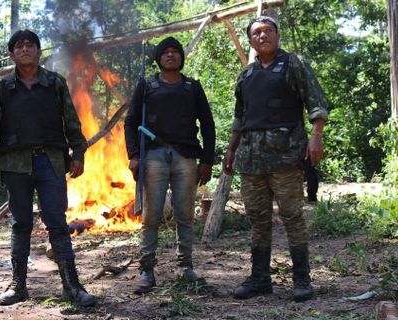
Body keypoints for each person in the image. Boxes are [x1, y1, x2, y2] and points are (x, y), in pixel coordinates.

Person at [0, 30, 96, 307]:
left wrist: (78, 153)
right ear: (11, 54)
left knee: (57, 223)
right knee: (21, 224)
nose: (24, 49)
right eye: (18, 46)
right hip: (14, 163)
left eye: (30, 45)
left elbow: (71, 121)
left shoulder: (55, 83)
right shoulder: (3, 87)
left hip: (51, 161)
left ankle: (72, 286)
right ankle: (18, 286)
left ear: (38, 51)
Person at [222, 16, 328, 302]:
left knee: (292, 216)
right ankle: (259, 279)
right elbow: (239, 118)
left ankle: (302, 279)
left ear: (277, 35)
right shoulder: (246, 75)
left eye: (268, 31)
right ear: (251, 40)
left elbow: (316, 102)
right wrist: (231, 150)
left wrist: (316, 136)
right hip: (251, 159)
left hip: (286, 155)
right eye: (256, 32)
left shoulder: (294, 64)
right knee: (257, 219)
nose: (262, 36)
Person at [124, 36, 216, 294]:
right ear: (159, 58)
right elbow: (131, 122)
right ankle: (147, 270)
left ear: (181, 58)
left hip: (186, 157)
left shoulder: (192, 88)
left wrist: (207, 160)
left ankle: (185, 267)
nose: (171, 55)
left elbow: (208, 125)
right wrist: (133, 155)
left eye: (176, 52)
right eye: (166, 52)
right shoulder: (146, 86)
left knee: (185, 215)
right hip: (153, 156)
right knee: (151, 215)